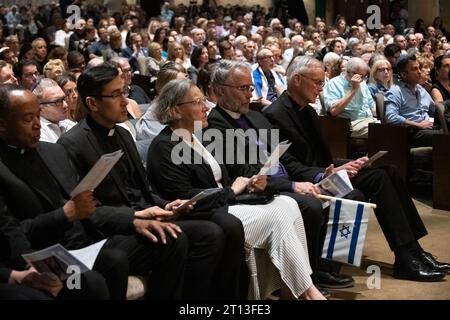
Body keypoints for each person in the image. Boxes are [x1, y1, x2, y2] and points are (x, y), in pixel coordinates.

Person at [58, 64, 244, 300]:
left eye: (124, 93)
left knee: (212, 232)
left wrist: (166, 205)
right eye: (115, 95)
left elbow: (141, 189)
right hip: (107, 233)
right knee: (178, 238)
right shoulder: (72, 145)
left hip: (139, 216)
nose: (125, 101)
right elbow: (82, 210)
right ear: (93, 104)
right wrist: (134, 218)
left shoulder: (123, 134)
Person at [263, 55, 449, 281]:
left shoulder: (308, 111)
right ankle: (404, 256)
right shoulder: (274, 115)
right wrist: (324, 173)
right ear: (298, 80)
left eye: (323, 82)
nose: (322, 89)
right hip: (308, 181)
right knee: (378, 179)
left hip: (324, 173)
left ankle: (413, 249)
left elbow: (321, 157)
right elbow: (287, 164)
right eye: (318, 82)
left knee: (389, 171)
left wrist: (345, 164)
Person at [0, 84, 189, 299]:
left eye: (37, 116)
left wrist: (133, 220)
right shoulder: (4, 168)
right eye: (27, 119)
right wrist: (64, 215)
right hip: (48, 251)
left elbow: (89, 205)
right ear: (2, 124)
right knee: (109, 266)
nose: (36, 125)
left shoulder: (54, 151)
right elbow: (11, 232)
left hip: (90, 240)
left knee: (170, 239)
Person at [147, 78, 326, 300]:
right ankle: (308, 293)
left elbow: (227, 174)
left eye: (204, 100)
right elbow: (184, 196)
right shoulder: (164, 146)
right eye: (198, 102)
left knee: (288, 204)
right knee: (277, 218)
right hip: (207, 212)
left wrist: (250, 181)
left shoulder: (198, 136)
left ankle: (291, 290)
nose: (206, 107)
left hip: (225, 202)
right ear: (175, 110)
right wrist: (232, 191)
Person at [206, 60, 354, 292]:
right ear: (221, 90)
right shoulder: (215, 125)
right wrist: (294, 186)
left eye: (250, 88)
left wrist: (315, 176)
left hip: (286, 179)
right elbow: (246, 173)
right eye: (243, 88)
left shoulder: (256, 117)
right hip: (262, 189)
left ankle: (326, 267)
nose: (249, 94)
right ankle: (307, 279)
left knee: (348, 191)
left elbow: (285, 159)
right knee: (311, 206)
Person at [0, 185, 110, 300]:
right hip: (7, 273)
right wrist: (11, 275)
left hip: (19, 257)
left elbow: (7, 225)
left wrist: (28, 265)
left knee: (91, 283)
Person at [384, 55, 441, 147]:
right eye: (414, 69)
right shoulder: (395, 92)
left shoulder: (421, 89)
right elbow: (391, 117)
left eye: (419, 68)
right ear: (403, 74)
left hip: (428, 127)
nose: (419, 72)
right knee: (444, 137)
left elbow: (435, 109)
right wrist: (418, 125)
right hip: (411, 132)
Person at [323, 57, 378, 139]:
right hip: (350, 124)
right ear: (348, 72)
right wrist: (353, 90)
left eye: (364, 76)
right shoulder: (334, 84)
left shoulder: (362, 83)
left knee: (393, 127)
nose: (362, 79)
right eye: (359, 76)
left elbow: (371, 105)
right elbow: (333, 111)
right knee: (382, 131)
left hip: (369, 120)